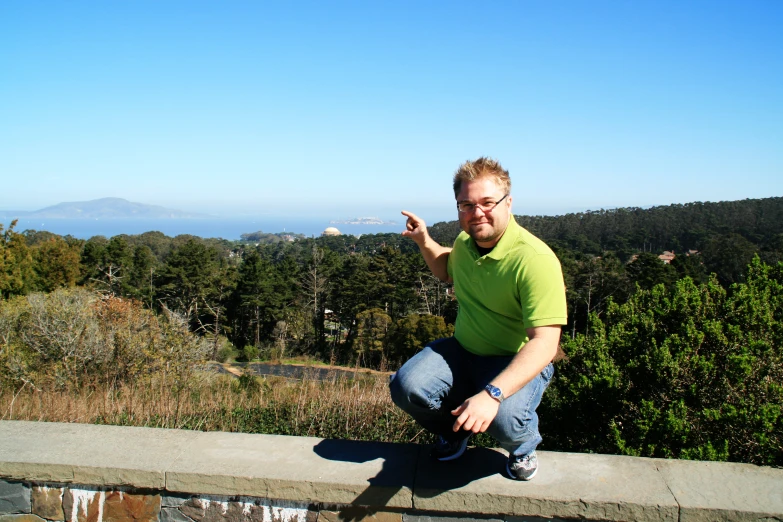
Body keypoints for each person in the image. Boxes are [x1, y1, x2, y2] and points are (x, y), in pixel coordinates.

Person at [389, 157, 567, 481]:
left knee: (504, 422)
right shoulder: (465, 243)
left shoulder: (534, 260)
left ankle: (524, 446)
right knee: (405, 387)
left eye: (487, 202)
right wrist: (424, 241)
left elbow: (546, 343)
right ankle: (455, 435)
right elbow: (446, 269)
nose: (477, 213)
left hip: (514, 360)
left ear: (508, 203)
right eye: (466, 204)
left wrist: (492, 394)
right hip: (463, 350)